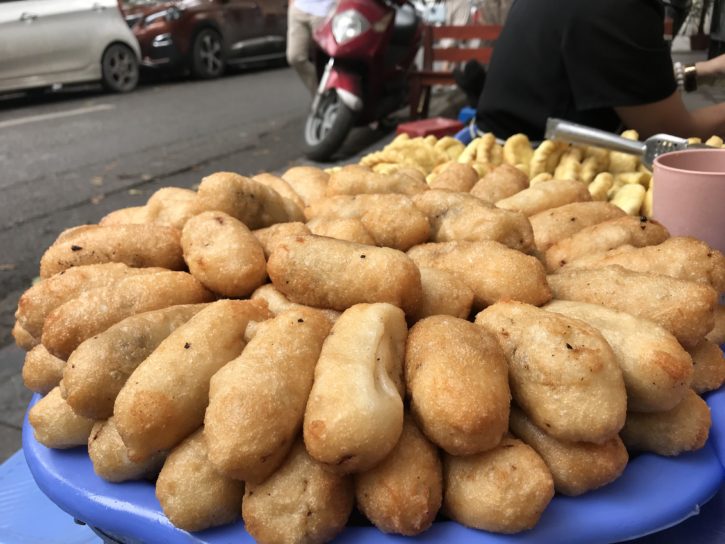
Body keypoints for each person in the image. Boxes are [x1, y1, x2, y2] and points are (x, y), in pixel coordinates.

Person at [475, 0, 725, 141]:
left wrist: (702, 70)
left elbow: (625, 80)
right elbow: (674, 134)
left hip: (490, 140)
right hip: (530, 169)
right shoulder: (619, 8)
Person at [286, 0, 336, 95]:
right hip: (299, 8)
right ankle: (321, 94)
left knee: (327, 58)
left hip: (325, 10)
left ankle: (331, 96)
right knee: (295, 57)